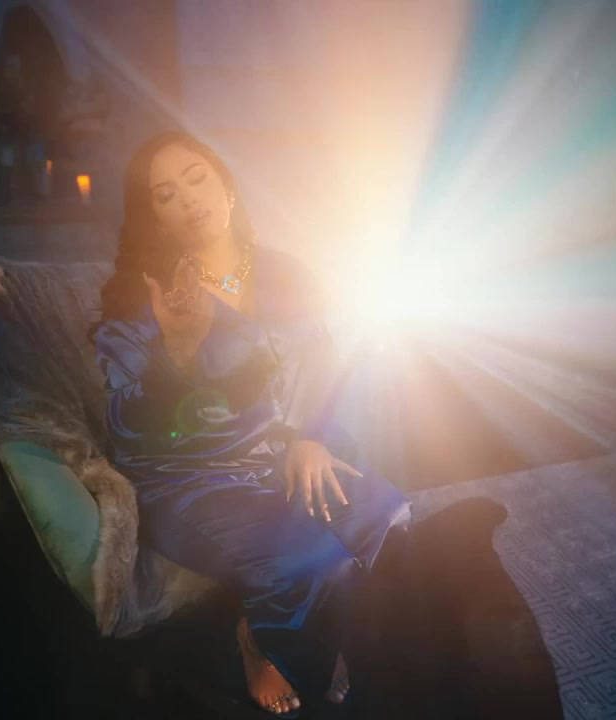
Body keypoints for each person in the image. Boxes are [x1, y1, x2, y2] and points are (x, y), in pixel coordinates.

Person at [94, 131, 411, 717]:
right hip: (189, 476)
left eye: (196, 178)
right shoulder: (146, 298)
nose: (188, 198)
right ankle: (258, 640)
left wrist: (312, 437)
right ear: (155, 218)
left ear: (226, 186)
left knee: (385, 513)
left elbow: (330, 367)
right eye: (165, 194)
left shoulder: (285, 273)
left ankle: (321, 631)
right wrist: (178, 352)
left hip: (279, 457)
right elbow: (131, 426)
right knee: (306, 557)